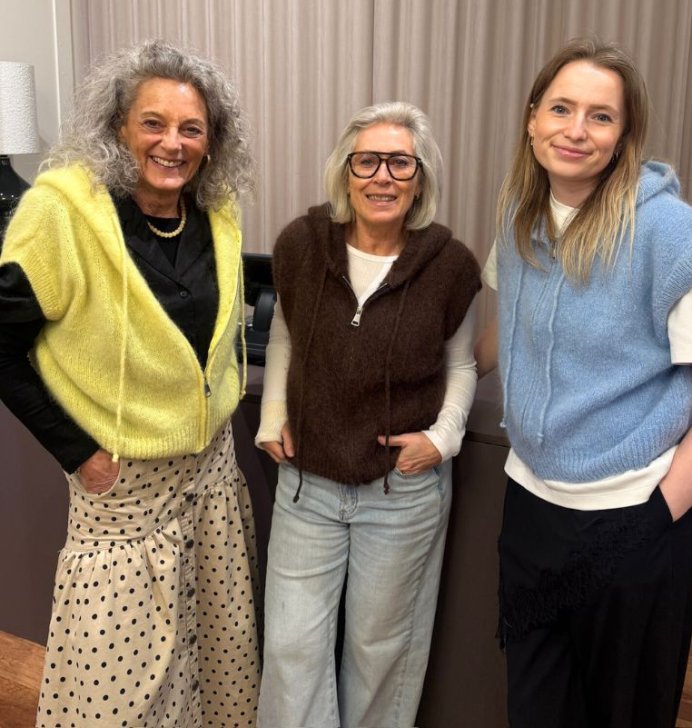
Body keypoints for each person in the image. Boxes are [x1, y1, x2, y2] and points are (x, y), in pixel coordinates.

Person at [0, 40, 261, 727]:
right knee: (111, 685)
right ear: (119, 126)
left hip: (210, 476)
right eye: (153, 122)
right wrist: (79, 454)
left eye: (191, 128)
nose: (172, 143)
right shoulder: (62, 213)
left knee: (214, 656)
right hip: (122, 489)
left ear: (212, 141)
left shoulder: (217, 212)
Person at [475, 37, 692, 728]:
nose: (576, 130)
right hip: (532, 508)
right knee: (537, 706)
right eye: (561, 108)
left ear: (624, 134)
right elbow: (510, 326)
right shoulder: (521, 215)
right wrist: (434, 387)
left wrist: (659, 515)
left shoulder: (669, 232)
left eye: (601, 116)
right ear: (532, 118)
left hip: (631, 515)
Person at [255, 101, 481, 728]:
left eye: (400, 163)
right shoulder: (301, 245)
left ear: (420, 179)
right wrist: (272, 413)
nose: (383, 176)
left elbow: (461, 365)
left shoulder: (451, 265)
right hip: (307, 485)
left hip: (400, 493)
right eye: (368, 161)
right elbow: (284, 336)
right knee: (292, 648)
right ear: (346, 172)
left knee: (379, 653)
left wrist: (442, 439)